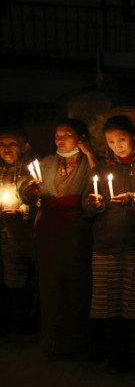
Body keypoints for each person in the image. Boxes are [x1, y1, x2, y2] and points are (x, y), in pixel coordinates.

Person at [20, 118, 97, 356]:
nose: (60, 139)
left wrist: (91, 157)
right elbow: (27, 191)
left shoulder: (89, 163)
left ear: (81, 139)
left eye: (67, 134)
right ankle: (53, 342)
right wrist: (30, 191)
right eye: (57, 135)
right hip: (49, 232)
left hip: (76, 232)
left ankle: (77, 344)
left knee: (75, 285)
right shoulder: (47, 162)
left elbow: (97, 187)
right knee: (50, 286)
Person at [83, 115, 135, 372]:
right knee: (107, 302)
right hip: (105, 246)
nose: (117, 145)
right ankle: (113, 357)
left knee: (133, 305)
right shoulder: (101, 169)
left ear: (133, 136)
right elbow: (85, 206)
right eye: (111, 141)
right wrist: (93, 204)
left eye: (122, 138)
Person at [0, 126, 36, 333]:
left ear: (24, 147)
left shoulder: (29, 171)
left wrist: (21, 211)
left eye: (11, 144)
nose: (6, 149)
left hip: (19, 233)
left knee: (19, 278)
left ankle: (23, 323)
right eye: (1, 145)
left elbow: (32, 198)